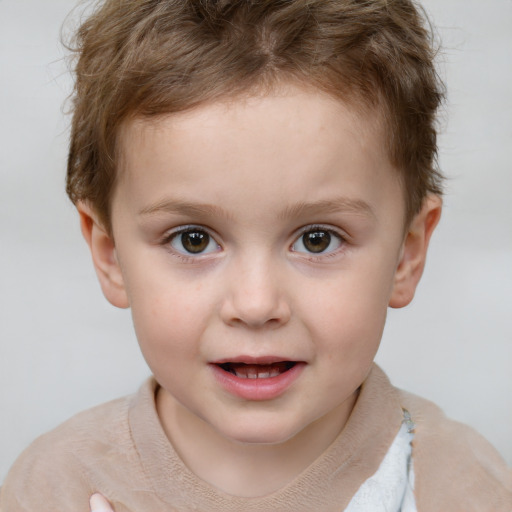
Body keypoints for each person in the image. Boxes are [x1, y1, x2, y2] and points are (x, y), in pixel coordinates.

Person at [1, 0, 511, 510]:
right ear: (110, 255)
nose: (255, 303)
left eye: (317, 239)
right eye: (193, 239)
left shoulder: (457, 486)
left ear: (407, 253)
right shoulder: (56, 487)